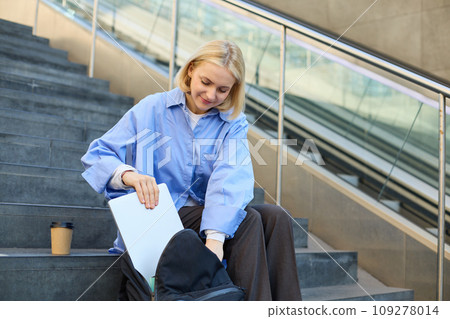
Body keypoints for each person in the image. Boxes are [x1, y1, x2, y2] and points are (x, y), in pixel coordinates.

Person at [81, 40, 302, 301]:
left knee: (276, 216)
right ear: (190, 71)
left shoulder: (232, 122)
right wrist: (130, 176)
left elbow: (230, 175)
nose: (211, 95)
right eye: (205, 82)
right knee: (249, 220)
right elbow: (98, 154)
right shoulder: (153, 108)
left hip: (206, 216)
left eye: (222, 89)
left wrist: (215, 239)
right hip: (160, 216)